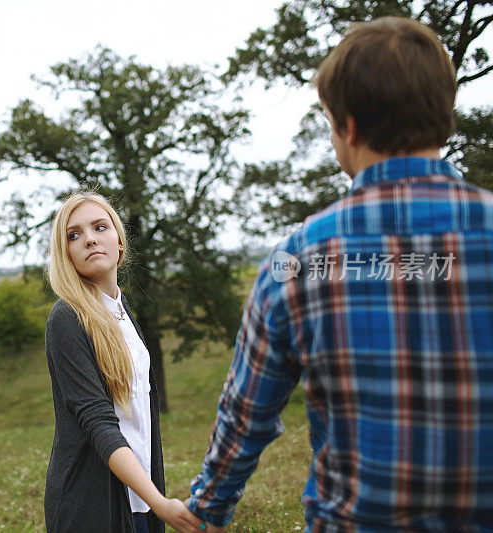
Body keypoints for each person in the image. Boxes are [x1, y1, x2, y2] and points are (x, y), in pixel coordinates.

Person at [186, 17, 493, 531]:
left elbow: (246, 414)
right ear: (444, 115)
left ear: (348, 126)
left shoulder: (294, 263)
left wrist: (208, 508)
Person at [44, 192, 203, 533]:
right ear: (66, 253)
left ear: (119, 242)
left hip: (140, 502)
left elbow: (140, 418)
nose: (89, 238)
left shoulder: (120, 310)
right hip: (91, 507)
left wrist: (153, 499)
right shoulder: (67, 319)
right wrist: (161, 504)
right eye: (74, 235)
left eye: (100, 227)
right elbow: (98, 423)